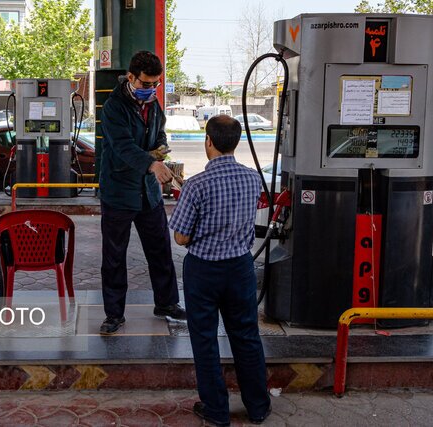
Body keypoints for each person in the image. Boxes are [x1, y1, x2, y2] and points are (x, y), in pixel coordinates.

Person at [169, 115, 271, 426]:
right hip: (240, 268)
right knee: (246, 336)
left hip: (204, 270)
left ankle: (216, 410)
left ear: (208, 141)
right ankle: (258, 407)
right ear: (236, 142)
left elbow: (181, 236)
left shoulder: (197, 185)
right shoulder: (253, 179)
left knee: (205, 339)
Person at [99, 50, 186, 335]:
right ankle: (114, 314)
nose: (151, 89)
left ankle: (167, 303)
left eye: (156, 84)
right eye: (146, 84)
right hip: (119, 192)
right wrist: (151, 163)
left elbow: (159, 135)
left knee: (160, 250)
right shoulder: (113, 107)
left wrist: (159, 152)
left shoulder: (154, 106)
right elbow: (123, 147)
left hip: (148, 194)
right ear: (131, 77)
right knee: (114, 256)